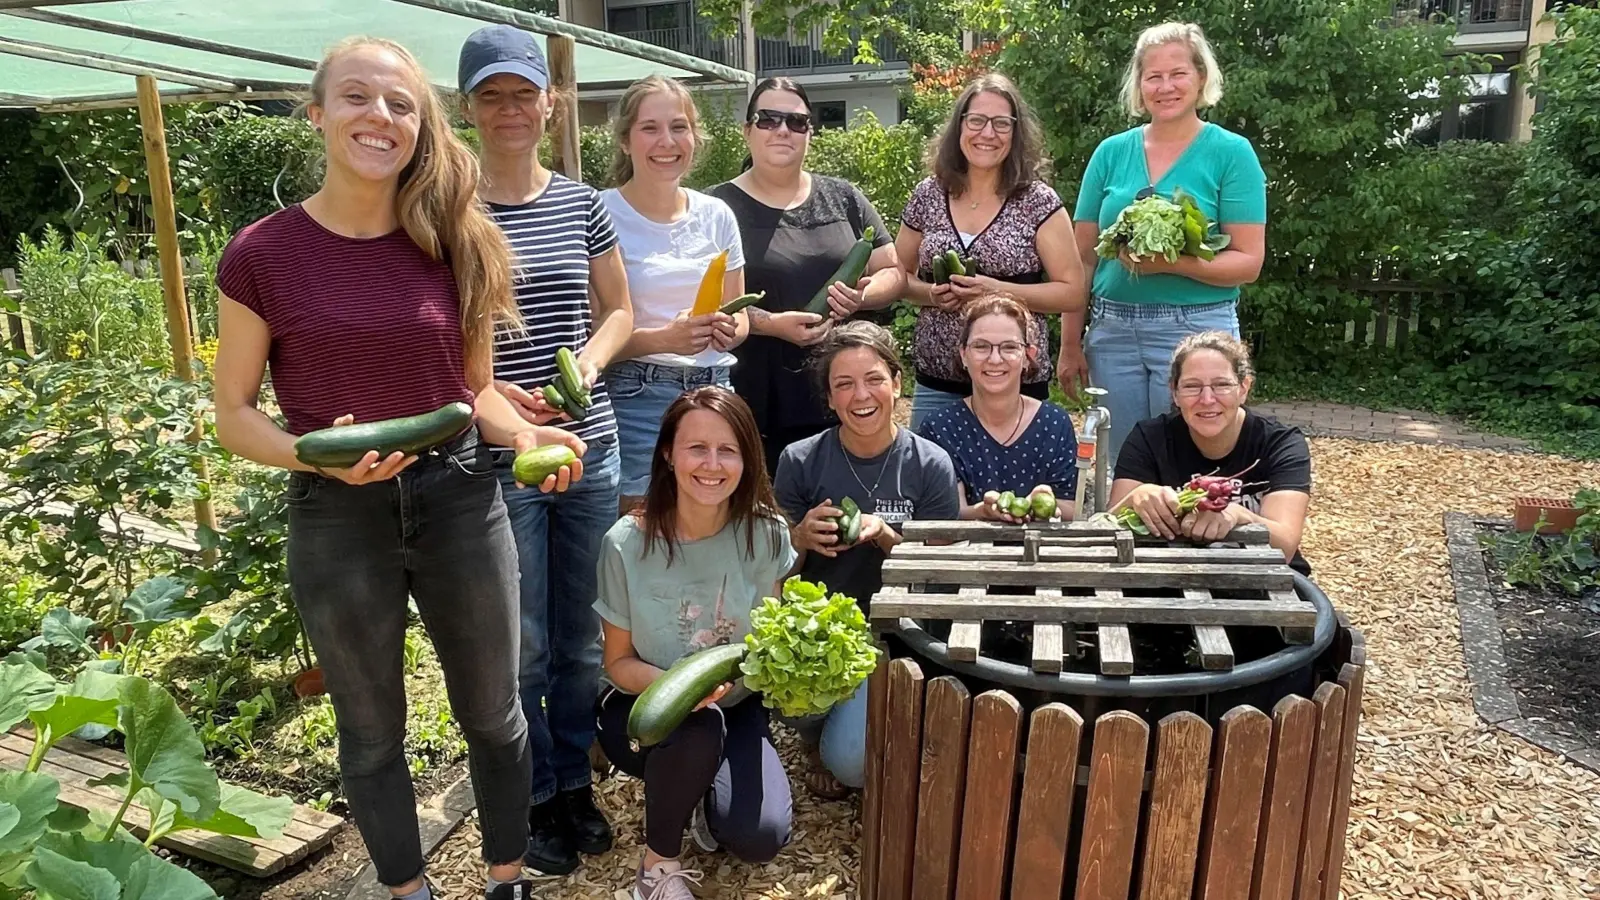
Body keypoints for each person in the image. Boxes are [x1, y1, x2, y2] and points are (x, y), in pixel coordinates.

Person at [212, 37, 585, 900]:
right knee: (371, 728)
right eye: (357, 97)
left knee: (494, 713)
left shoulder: (458, 239)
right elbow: (233, 412)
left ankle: (507, 880)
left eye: (400, 104)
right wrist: (314, 454)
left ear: (420, 127)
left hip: (460, 498)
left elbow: (475, 391)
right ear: (317, 113)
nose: (378, 116)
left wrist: (529, 441)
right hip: (336, 513)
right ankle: (407, 891)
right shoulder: (261, 254)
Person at [458, 25, 635, 875]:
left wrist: (588, 367)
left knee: (580, 637)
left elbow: (619, 312)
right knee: (522, 641)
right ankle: (529, 796)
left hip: (589, 443)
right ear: (468, 109)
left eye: (523, 94)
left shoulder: (582, 203)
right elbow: (448, 343)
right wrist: (504, 400)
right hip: (504, 455)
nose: (510, 109)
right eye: (491, 95)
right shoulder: (449, 210)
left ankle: (572, 783)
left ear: (550, 103)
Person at [593, 387, 796, 900]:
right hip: (644, 709)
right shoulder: (625, 543)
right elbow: (617, 662)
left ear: (748, 459)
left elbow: (770, 639)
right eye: (696, 448)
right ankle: (656, 868)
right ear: (668, 454)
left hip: (738, 705)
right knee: (696, 726)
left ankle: (701, 794)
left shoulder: (767, 534)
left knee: (759, 837)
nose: (712, 464)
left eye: (728, 450)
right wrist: (681, 687)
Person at [1068, 22, 1268, 467]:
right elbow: (1081, 259)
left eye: (1178, 74)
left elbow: (1248, 262)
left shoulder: (1231, 153)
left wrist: (1172, 264)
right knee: (1120, 463)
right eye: (1153, 77)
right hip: (1112, 329)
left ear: (1201, 78)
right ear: (1139, 86)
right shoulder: (1110, 153)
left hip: (1196, 329)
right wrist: (1069, 343)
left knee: (1189, 460)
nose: (1165, 87)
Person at [773, 320, 959, 798]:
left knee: (853, 767)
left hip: (897, 634)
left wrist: (886, 537)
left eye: (874, 379)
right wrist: (799, 537)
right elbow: (773, 572)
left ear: (897, 383)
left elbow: (940, 574)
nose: (861, 395)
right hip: (822, 630)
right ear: (830, 399)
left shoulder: (930, 463)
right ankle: (815, 734)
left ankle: (859, 722)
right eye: (844, 384)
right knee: (796, 702)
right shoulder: (800, 460)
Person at [707, 77, 906, 475]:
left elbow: (893, 271)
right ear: (747, 130)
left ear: (810, 133)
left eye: (797, 122)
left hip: (842, 401)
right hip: (754, 398)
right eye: (768, 119)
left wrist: (863, 296)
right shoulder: (714, 207)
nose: (783, 130)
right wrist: (769, 324)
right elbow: (704, 304)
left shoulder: (843, 197)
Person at [896, 72, 1087, 430]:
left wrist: (995, 291)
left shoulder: (1038, 201)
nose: (988, 133)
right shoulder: (929, 194)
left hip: (1015, 385)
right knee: (932, 468)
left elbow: (1072, 292)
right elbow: (897, 276)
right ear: (959, 126)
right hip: (937, 383)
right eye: (977, 121)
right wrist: (931, 294)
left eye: (1001, 123)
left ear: (1016, 133)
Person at [603, 76, 750, 512]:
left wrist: (729, 330)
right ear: (626, 140)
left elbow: (740, 314)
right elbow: (590, 340)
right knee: (639, 526)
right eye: (649, 128)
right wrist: (664, 339)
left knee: (710, 521)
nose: (666, 141)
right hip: (635, 395)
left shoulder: (717, 215)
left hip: (714, 387)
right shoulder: (600, 212)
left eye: (679, 126)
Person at [1109, 331, 1311, 573]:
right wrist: (1135, 498)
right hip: (1169, 575)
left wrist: (1239, 516)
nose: (1207, 399)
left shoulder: (1280, 443)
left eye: (1222, 385)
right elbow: (1107, 531)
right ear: (1174, 393)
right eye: (1192, 386)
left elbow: (1285, 546)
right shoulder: (1148, 438)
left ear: (1243, 388)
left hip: (1263, 575)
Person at [918, 295, 1079, 520]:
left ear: (1028, 356)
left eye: (1009, 347)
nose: (995, 359)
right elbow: (946, 512)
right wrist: (983, 512)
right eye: (981, 346)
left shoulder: (1055, 423)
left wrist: (1042, 508)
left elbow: (1071, 508)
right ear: (963, 355)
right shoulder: (939, 426)